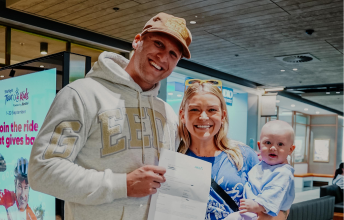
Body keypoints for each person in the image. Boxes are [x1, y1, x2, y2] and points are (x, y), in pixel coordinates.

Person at [28, 12, 192, 220]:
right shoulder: (82, 94)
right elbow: (43, 171)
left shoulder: (167, 114)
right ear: (137, 41)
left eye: (173, 54)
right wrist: (123, 184)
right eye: (159, 44)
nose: (163, 57)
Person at [178, 81, 291, 220]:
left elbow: (281, 209)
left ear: (223, 115)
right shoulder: (173, 158)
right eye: (194, 109)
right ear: (182, 115)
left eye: (212, 110)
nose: (203, 117)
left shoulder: (243, 155)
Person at [227, 120, 295, 219]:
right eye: (268, 143)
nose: (272, 148)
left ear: (290, 149)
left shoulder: (283, 172)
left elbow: (274, 192)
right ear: (259, 145)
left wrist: (257, 205)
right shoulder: (263, 164)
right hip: (251, 210)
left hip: (259, 211)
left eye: (280, 144)